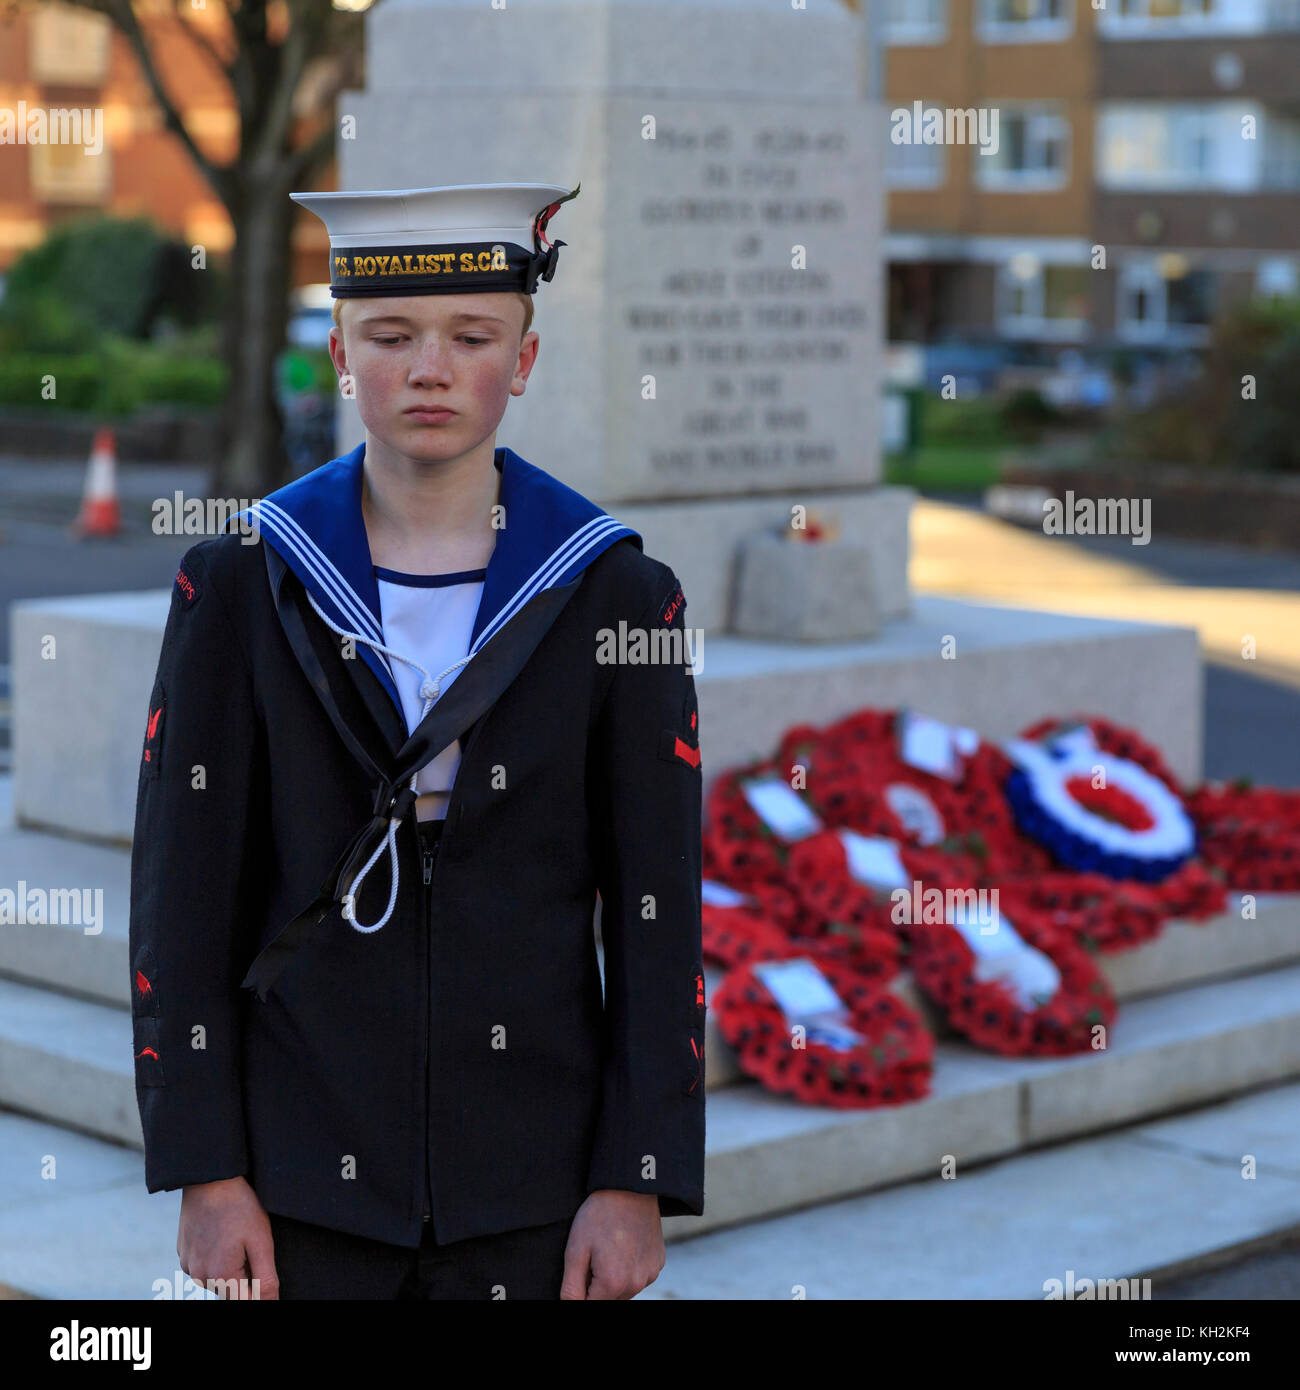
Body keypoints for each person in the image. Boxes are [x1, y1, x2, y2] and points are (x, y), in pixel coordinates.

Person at [128, 182, 706, 1300]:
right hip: (300, 1172)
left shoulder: (615, 592)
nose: (429, 368)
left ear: (524, 361)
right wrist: (206, 1169)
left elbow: (656, 907)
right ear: (341, 353)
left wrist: (634, 1176)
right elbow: (181, 895)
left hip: (532, 1180)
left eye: (472, 337)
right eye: (389, 336)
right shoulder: (244, 582)